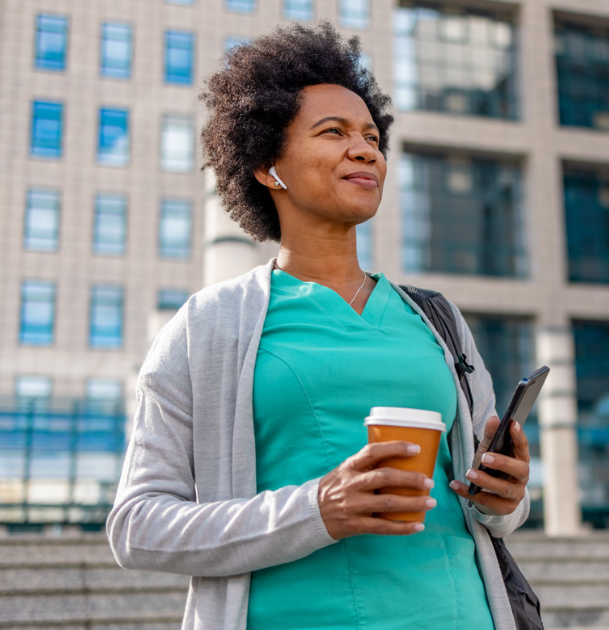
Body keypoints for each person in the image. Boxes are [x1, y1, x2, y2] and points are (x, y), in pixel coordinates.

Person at [106, 22, 531, 630]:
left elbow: (489, 515)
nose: (365, 150)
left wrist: (505, 497)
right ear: (266, 165)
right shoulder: (209, 326)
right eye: (333, 133)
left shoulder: (436, 320)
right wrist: (317, 510)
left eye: (370, 136)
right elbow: (136, 527)